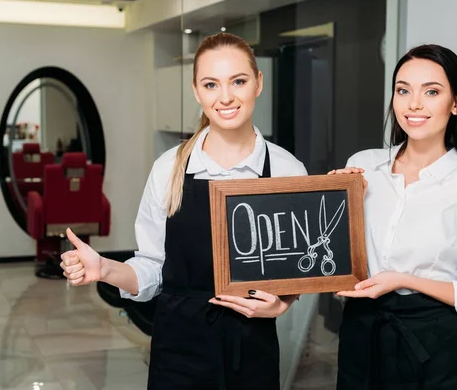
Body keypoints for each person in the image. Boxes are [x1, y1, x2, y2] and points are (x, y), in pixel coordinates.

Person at [60, 32, 306, 390]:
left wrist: (284, 303)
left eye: (238, 81)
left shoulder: (287, 170)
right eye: (211, 84)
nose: (225, 97)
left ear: (258, 83)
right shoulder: (168, 168)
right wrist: (105, 269)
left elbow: (299, 267)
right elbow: (152, 267)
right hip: (178, 349)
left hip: (251, 347)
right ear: (196, 91)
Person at [329, 44, 457, 389]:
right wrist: (331, 200)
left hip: (435, 351)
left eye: (431, 91)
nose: (414, 104)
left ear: (456, 103)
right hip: (362, 339)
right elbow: (328, 254)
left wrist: (405, 280)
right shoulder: (364, 166)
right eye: (403, 90)